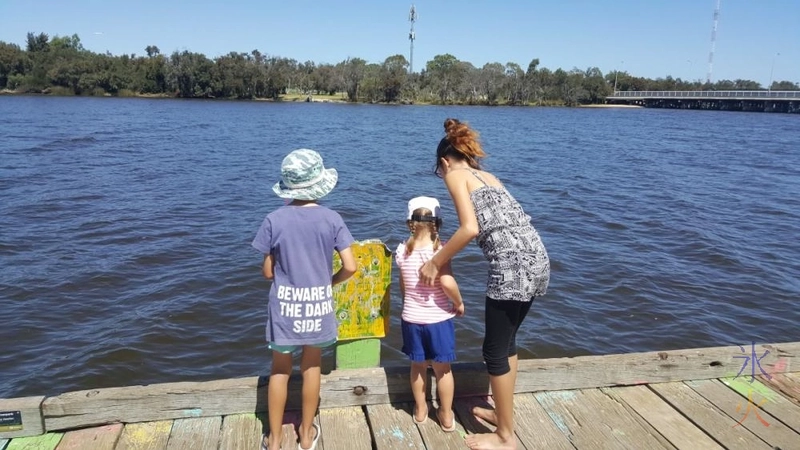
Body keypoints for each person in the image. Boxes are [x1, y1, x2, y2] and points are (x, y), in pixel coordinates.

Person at [418, 119, 550, 450]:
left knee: (493, 351)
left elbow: (469, 228)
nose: (442, 175)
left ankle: (506, 437)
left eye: (440, 170)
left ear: (445, 162)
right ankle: (505, 416)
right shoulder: (489, 177)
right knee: (507, 344)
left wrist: (435, 261)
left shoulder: (454, 175)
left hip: (511, 266)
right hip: (537, 258)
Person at [252, 148, 357, 450]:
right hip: (318, 304)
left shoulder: (274, 219)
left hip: (284, 307)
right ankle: (307, 434)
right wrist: (329, 282)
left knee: (279, 369)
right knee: (311, 368)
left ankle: (273, 439)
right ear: (319, 184)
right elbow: (350, 266)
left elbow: (268, 273)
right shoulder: (332, 218)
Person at [395, 196, 465, 433]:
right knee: (442, 369)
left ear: (410, 223)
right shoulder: (441, 251)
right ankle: (445, 415)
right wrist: (459, 302)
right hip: (437, 320)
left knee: (417, 366)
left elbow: (403, 286)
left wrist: (408, 303)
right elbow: (446, 281)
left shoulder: (401, 251)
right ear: (437, 222)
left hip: (411, 318)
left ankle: (421, 409)